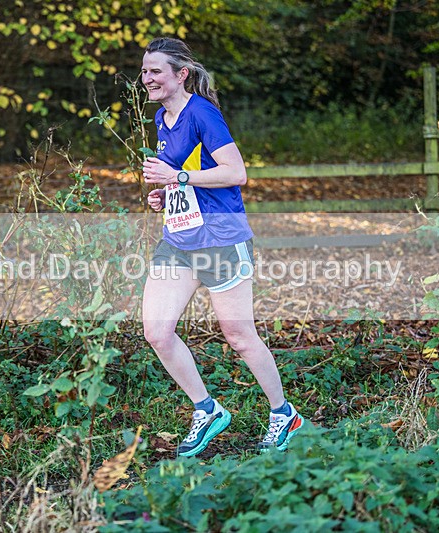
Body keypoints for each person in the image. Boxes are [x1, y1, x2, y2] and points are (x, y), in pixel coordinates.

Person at [140, 37, 304, 457]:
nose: (147, 78)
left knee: (238, 335)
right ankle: (206, 409)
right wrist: (164, 194)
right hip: (179, 240)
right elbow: (184, 175)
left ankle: (283, 413)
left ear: (182, 74)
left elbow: (236, 172)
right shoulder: (162, 118)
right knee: (157, 332)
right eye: (144, 71)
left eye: (156, 70)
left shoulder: (203, 113)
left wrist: (177, 179)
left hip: (220, 239)